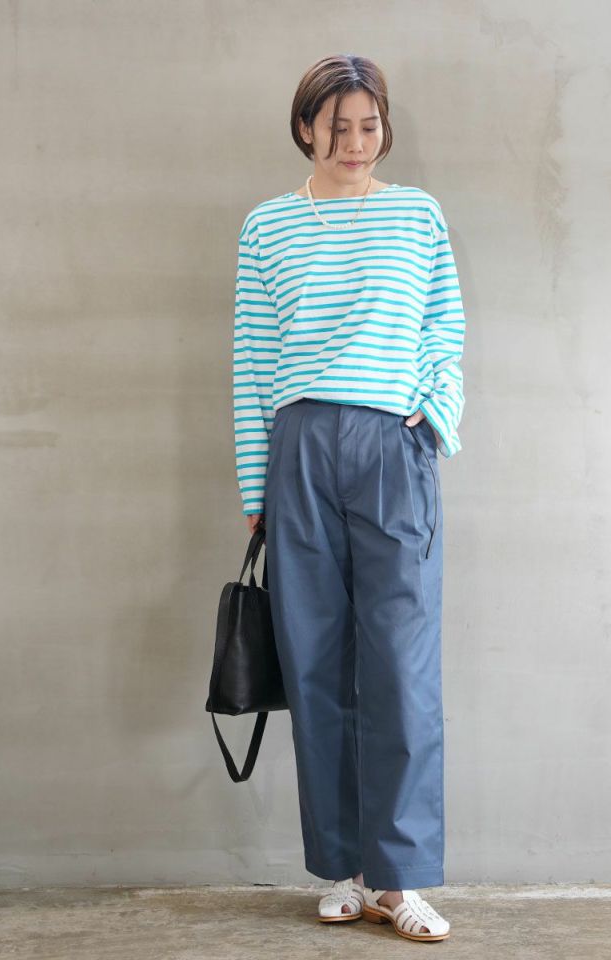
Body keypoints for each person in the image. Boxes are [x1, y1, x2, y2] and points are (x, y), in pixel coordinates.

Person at [232, 53, 466, 943]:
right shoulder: (267, 225)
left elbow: (444, 327)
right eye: (338, 127)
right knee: (317, 664)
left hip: (391, 447)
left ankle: (400, 879)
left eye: (370, 126)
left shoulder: (417, 214)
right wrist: (256, 483)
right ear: (306, 128)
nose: (356, 142)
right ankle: (344, 868)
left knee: (401, 664)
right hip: (298, 448)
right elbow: (254, 359)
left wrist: (433, 412)